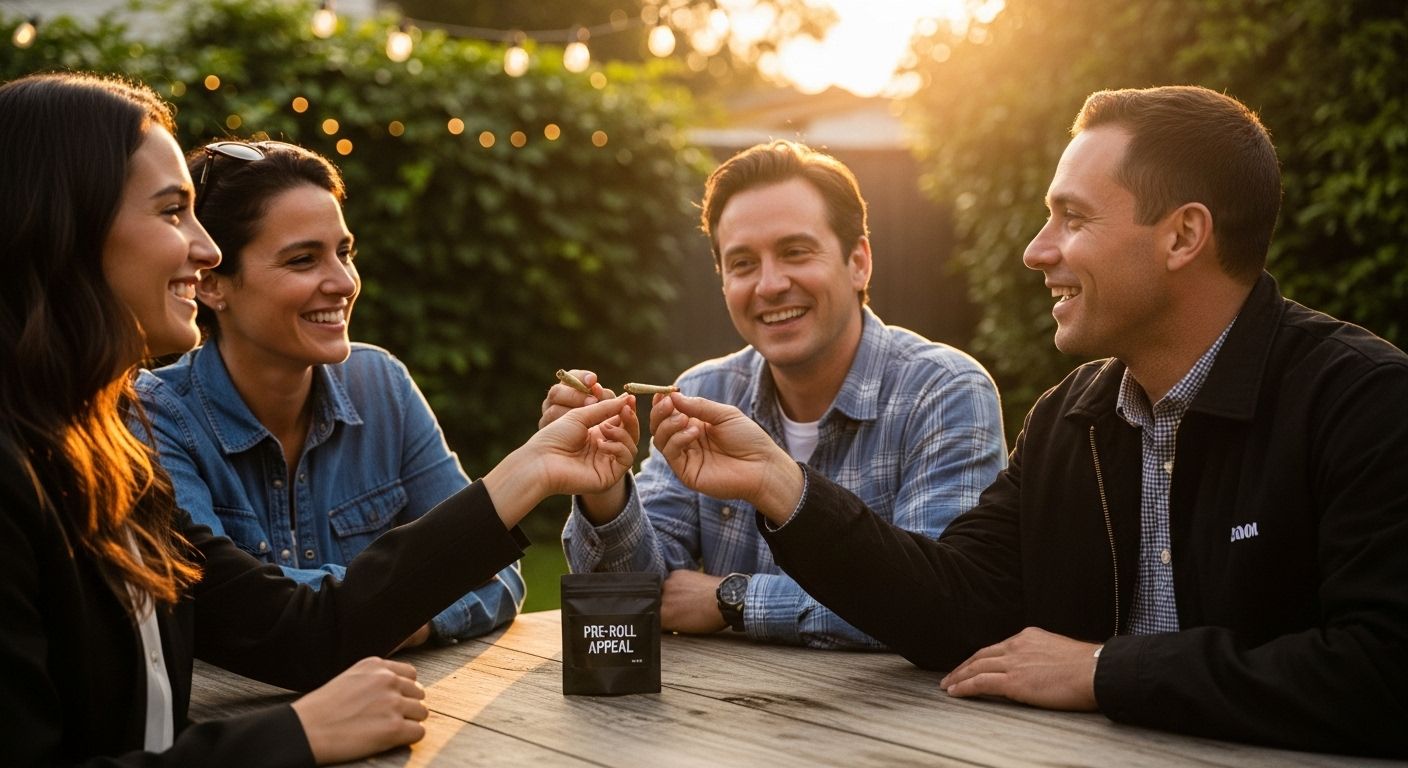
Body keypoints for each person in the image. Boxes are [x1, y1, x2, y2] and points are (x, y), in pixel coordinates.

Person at [644, 86, 1408, 756]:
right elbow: (953, 604)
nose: (1036, 251)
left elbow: (1383, 670)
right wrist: (784, 487)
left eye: (1071, 218)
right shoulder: (1070, 418)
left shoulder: (1363, 403)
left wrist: (1106, 670)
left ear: (1183, 236)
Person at [0, 71, 639, 766]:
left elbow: (306, 631)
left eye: (343, 252)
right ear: (61, 225)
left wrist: (533, 468)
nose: (203, 246)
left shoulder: (109, 454)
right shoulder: (45, 464)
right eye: (171, 212)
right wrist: (294, 735)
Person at [546, 140, 1006, 648]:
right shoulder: (702, 391)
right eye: (743, 263)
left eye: (795, 252)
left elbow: (941, 607)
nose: (769, 284)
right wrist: (604, 491)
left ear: (859, 262)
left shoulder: (942, 392)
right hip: (723, 718)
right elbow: (632, 600)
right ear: (723, 282)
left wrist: (733, 599)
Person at [135, 140, 521, 649]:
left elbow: (497, 573)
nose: (343, 282)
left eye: (344, 252)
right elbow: (220, 608)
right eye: (302, 260)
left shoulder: (381, 384)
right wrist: (391, 605)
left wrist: (386, 620)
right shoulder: (157, 413)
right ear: (212, 284)